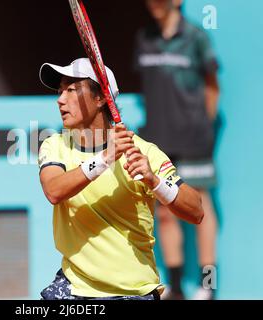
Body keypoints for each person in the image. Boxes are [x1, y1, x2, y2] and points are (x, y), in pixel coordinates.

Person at [37, 57, 204, 300]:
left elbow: (196, 211)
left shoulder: (145, 152)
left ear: (101, 98)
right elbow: (54, 190)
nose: (60, 99)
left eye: (71, 90)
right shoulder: (55, 145)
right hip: (75, 288)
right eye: (60, 91)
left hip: (133, 291)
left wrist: (154, 181)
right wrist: (106, 158)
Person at [133, 0, 220, 300]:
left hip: (194, 141)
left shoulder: (196, 37)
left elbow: (212, 88)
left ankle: (208, 286)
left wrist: (202, 128)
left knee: (200, 210)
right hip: (159, 141)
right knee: (166, 213)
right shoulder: (144, 39)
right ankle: (177, 288)